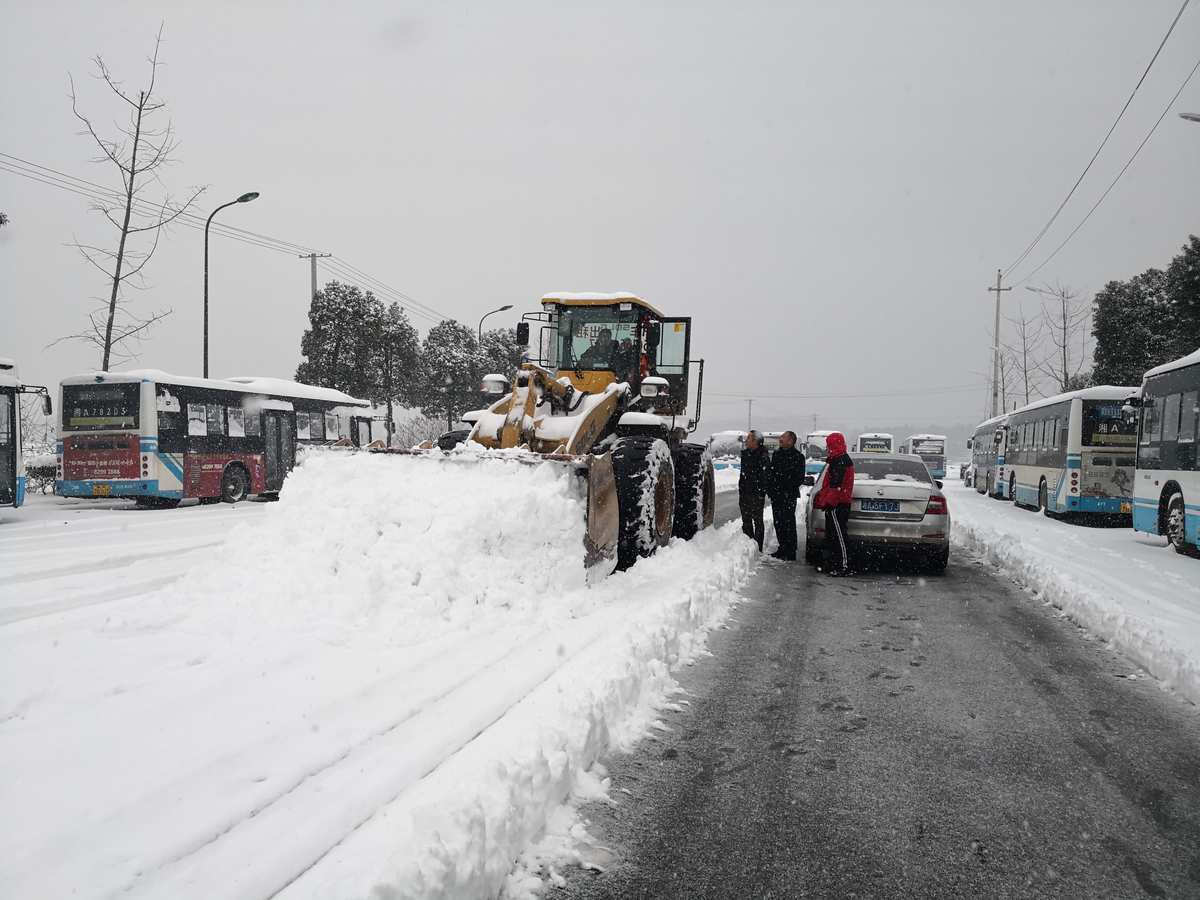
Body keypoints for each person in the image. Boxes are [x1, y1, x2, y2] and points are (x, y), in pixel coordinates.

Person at [811, 431, 855, 575]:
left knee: (838, 536)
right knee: (832, 536)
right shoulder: (838, 460)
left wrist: (829, 502)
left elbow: (835, 486)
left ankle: (844, 566)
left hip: (838, 505)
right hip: (836, 504)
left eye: (829, 445)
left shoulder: (840, 461)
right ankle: (833, 564)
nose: (827, 448)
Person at [768, 430, 806, 560]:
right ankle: (782, 547)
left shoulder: (798, 457)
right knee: (778, 523)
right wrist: (772, 489)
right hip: (776, 495)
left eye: (783, 437)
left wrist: (785, 486)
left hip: (788, 496)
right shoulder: (777, 454)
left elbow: (799, 478)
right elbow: (772, 474)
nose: (780, 439)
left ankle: (790, 551)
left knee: (788, 522)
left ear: (791, 441)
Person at [739, 430, 771, 551]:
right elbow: (743, 475)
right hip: (745, 492)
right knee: (746, 520)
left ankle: (758, 547)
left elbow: (765, 476)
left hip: (756, 494)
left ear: (756, 441)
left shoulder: (763, 456)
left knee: (757, 520)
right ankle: (748, 545)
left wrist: (760, 491)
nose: (746, 441)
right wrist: (742, 488)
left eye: (749, 438)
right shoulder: (746, 454)